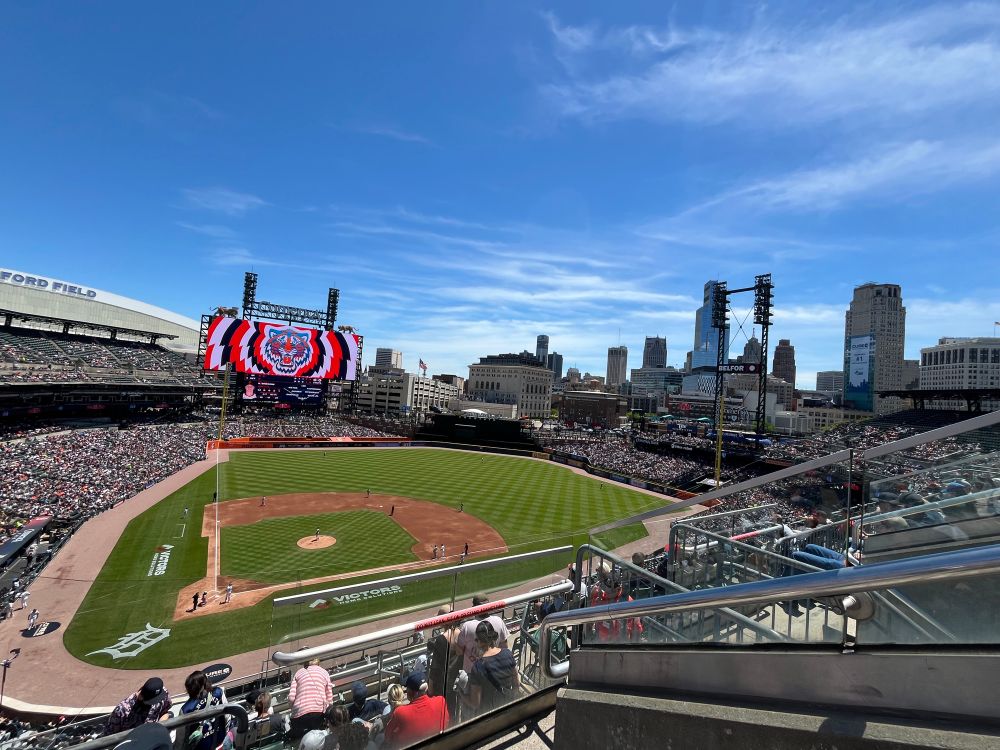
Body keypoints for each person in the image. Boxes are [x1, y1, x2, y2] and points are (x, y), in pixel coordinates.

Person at [462, 620, 519, 715]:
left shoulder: (477, 667)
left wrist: (461, 695)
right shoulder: (508, 654)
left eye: (476, 640)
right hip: (507, 710)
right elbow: (516, 685)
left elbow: (475, 703)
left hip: (489, 716)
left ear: (479, 641)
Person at [382, 672, 449, 749]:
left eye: (407, 689)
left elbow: (387, 736)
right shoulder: (441, 701)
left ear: (410, 692)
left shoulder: (400, 712)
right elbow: (446, 723)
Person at [105, 678, 173, 735]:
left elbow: (164, 712)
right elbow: (110, 736)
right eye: (152, 701)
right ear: (142, 697)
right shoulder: (122, 710)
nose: (156, 702)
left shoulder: (162, 693)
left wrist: (158, 728)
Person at [180, 670, 228, 750]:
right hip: (220, 741)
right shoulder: (218, 692)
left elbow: (181, 739)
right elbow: (227, 716)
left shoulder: (186, 709)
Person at [288, 659, 333, 740]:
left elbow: (291, 698)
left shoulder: (298, 672)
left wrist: (294, 710)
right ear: (318, 663)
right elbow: (329, 697)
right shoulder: (324, 672)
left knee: (301, 741)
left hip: (299, 714)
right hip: (318, 712)